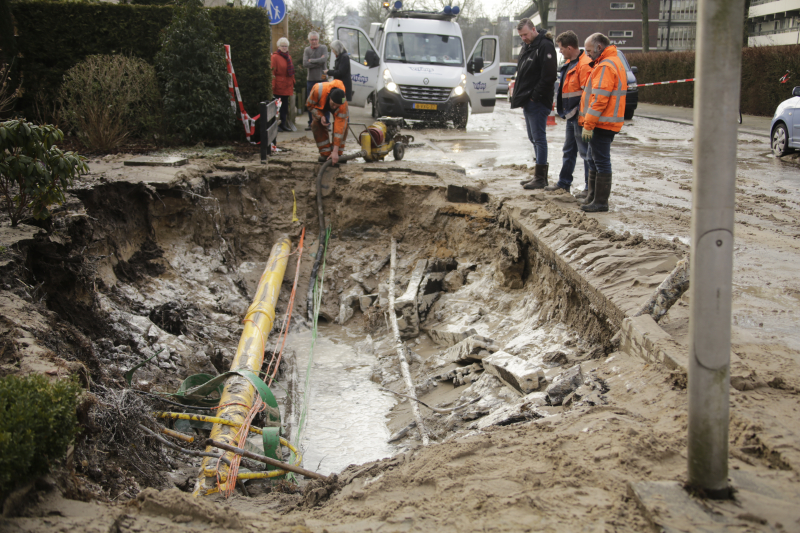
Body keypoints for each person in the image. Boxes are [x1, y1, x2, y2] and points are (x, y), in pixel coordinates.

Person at [578, 33, 627, 213]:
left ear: (599, 47)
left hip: (602, 123)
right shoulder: (612, 62)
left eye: (589, 50)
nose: (587, 54)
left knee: (601, 161)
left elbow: (599, 100)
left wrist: (588, 125)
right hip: (605, 122)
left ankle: (600, 202)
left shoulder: (606, 66)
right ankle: (593, 197)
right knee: (593, 159)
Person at [511, 18, 557, 190]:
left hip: (538, 101)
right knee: (533, 137)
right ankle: (539, 175)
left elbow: (549, 75)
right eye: (521, 36)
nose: (523, 38)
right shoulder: (528, 46)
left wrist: (534, 96)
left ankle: (540, 178)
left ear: (533, 29)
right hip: (529, 100)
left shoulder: (544, 46)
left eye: (525, 34)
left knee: (539, 138)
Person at [545, 30, 593, 195]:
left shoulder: (584, 65)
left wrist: (581, 114)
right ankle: (564, 183)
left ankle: (589, 188)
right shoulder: (570, 63)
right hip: (572, 115)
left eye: (561, 48)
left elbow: (587, 93)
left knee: (585, 153)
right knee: (569, 150)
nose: (560, 51)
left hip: (579, 116)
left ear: (570, 48)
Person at [306, 79, 349, 165]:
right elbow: (309, 105)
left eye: (337, 106)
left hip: (337, 108)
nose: (334, 107)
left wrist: (335, 151)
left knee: (344, 126)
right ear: (329, 97)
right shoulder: (318, 90)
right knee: (316, 124)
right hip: (320, 105)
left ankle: (338, 154)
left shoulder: (343, 106)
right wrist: (320, 115)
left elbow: (339, 130)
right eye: (333, 104)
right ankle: (325, 153)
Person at [303, 31, 329, 131]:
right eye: (312, 40)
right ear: (309, 40)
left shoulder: (323, 48)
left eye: (315, 39)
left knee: (324, 102)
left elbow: (324, 60)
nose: (314, 41)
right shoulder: (307, 50)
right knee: (311, 103)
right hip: (311, 80)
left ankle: (326, 122)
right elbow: (305, 64)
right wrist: (319, 62)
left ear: (318, 39)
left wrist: (312, 60)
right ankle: (312, 123)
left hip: (322, 79)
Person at [271, 37, 296, 132]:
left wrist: (293, 82)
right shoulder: (274, 57)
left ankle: (283, 124)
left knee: (285, 107)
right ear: (278, 47)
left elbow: (291, 72)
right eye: (283, 46)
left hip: (287, 86)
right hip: (278, 86)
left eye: (286, 46)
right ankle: (276, 125)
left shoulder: (289, 57)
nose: (284, 48)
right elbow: (272, 72)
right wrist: (272, 85)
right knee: (277, 107)